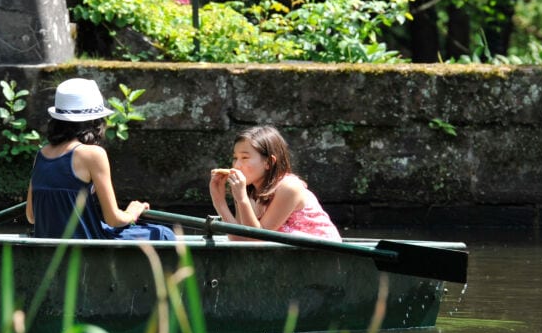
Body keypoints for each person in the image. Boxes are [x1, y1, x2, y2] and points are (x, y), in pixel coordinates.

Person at [26, 77, 176, 241]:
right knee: (163, 234)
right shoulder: (93, 154)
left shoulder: (41, 155)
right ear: (95, 120)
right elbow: (113, 219)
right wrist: (132, 212)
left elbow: (32, 216)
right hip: (87, 249)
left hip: (48, 250)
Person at [209, 125, 341, 241]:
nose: (236, 165)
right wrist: (219, 202)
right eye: (235, 158)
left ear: (269, 163)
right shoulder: (248, 190)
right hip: (287, 258)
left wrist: (242, 199)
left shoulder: (289, 187)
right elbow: (240, 238)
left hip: (324, 256)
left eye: (245, 157)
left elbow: (257, 240)